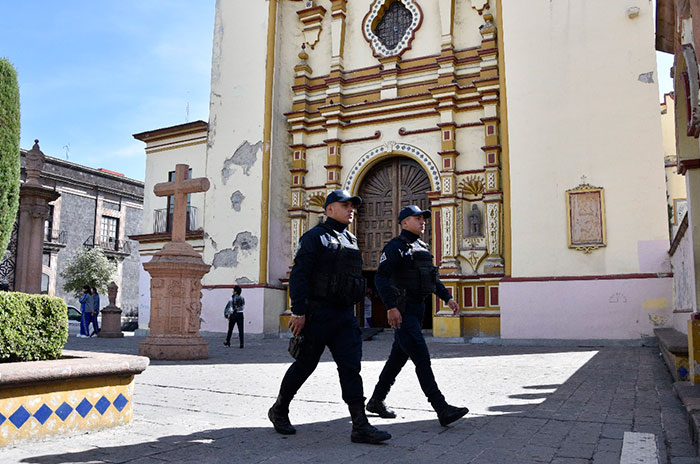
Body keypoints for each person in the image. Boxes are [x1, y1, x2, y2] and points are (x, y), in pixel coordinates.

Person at [268, 189, 391, 444]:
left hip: (345, 315)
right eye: (345, 205)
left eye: (352, 206)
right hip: (317, 313)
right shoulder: (314, 237)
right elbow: (299, 275)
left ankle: (359, 424)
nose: (351, 210)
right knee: (305, 365)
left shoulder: (351, 240)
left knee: (350, 367)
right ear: (329, 209)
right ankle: (279, 409)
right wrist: (298, 311)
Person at [366, 205, 469, 427]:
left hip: (418, 310)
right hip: (403, 312)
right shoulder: (395, 247)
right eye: (417, 218)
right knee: (421, 358)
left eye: (424, 218)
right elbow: (381, 279)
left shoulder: (422, 248)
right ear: (404, 223)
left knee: (397, 359)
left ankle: (376, 400)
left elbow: (432, 279)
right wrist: (391, 307)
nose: (423, 221)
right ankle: (441, 407)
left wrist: (447, 298)